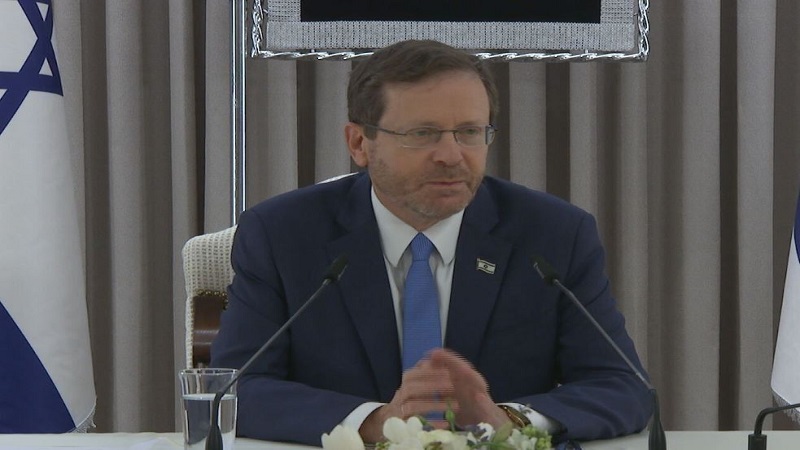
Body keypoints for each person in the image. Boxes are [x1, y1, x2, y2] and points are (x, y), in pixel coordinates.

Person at [211, 39, 652, 446]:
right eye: (422, 134)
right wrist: (377, 421)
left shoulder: (553, 235)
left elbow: (622, 386)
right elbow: (235, 389)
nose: (451, 155)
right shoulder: (282, 235)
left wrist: (508, 420)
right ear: (359, 143)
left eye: (470, 132)